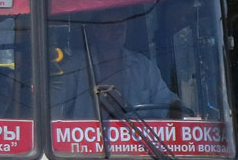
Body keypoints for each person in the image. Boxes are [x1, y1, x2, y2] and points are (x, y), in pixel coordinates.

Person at [53, 16, 181, 119]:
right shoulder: (75, 66)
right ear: (95, 30)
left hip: (141, 146)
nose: (118, 29)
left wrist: (179, 111)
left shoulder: (143, 66)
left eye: (122, 23)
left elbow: (167, 103)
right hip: (86, 148)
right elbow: (55, 112)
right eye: (111, 23)